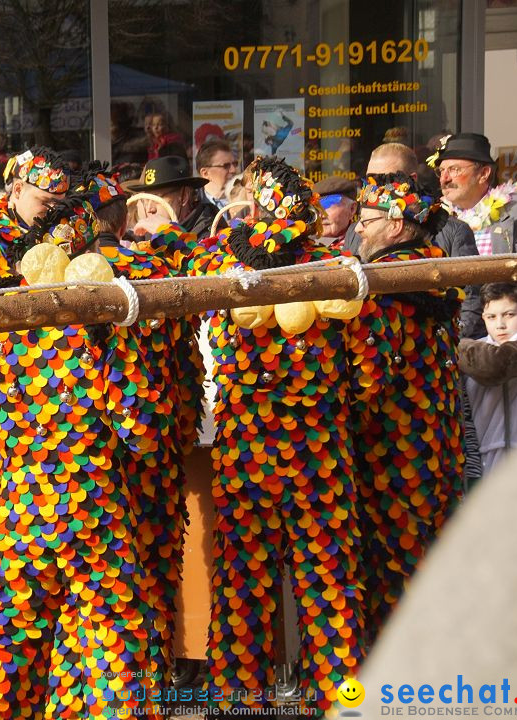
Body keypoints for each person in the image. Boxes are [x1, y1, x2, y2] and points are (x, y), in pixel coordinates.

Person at [0, 150, 203, 718]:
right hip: (97, 514)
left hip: (18, 512)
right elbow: (139, 429)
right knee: (108, 641)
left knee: (10, 646)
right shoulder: (108, 325)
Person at [173, 157, 364, 714]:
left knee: (248, 582)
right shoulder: (336, 261)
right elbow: (366, 367)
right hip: (312, 451)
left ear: (258, 205)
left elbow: (180, 258)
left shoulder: (227, 255)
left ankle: (243, 700)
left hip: (266, 450)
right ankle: (337, 699)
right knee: (324, 581)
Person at [347, 173, 467, 645]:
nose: (358, 227)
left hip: (392, 453)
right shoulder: (441, 266)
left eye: (367, 218)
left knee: (395, 567)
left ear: (396, 225)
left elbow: (369, 379)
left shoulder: (382, 282)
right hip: (440, 442)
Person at [342, 142, 484, 338]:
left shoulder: (452, 231)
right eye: (370, 180)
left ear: (410, 180)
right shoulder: (355, 230)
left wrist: (453, 342)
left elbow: (469, 296)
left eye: (385, 179)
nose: (375, 187)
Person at [458, 282, 517, 475]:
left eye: (509, 314)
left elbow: (496, 364)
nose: (500, 324)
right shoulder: (479, 346)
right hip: (486, 460)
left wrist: (452, 344)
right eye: (491, 317)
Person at [431, 132, 517, 254]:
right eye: (441, 171)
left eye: (454, 169)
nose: (444, 179)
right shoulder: (434, 219)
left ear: (483, 174)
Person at [127, 155, 215, 240]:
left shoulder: (211, 229)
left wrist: (171, 233)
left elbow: (200, 253)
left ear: (184, 197)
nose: (149, 209)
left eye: (158, 199)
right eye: (145, 200)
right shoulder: (143, 234)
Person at [194, 137, 239, 220]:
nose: (233, 170)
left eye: (235, 164)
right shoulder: (192, 205)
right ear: (205, 173)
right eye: (226, 166)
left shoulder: (245, 199)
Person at [312, 175, 358, 246]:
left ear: (352, 209)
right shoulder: (304, 244)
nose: (320, 216)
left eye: (327, 206)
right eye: (316, 208)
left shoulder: (363, 242)